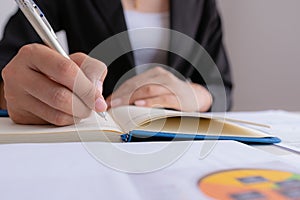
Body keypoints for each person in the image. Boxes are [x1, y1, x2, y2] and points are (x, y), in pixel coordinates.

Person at [0, 0, 233, 126]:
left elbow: (221, 85)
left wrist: (195, 95)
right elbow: (8, 64)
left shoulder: (201, 3)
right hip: (96, 132)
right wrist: (13, 94)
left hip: (175, 136)